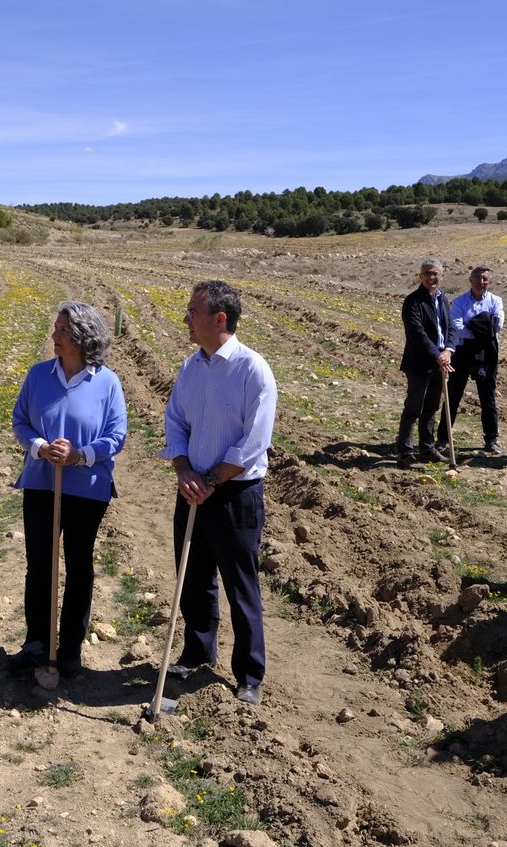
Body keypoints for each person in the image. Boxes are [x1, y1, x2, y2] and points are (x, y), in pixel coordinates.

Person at [158, 280, 278, 705]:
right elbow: (175, 421)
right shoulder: (191, 367)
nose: (186, 319)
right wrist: (184, 470)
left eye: (193, 312)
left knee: (240, 584)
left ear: (219, 319)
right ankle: (197, 652)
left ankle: (249, 674)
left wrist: (209, 481)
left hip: (234, 495)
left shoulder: (252, 370)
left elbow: (253, 443)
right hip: (192, 489)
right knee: (193, 578)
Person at [9, 302, 128, 678]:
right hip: (41, 483)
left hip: (88, 489)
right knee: (40, 564)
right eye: (56, 328)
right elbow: (20, 420)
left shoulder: (107, 383)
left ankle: (71, 648)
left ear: (83, 337)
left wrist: (80, 455)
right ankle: (37, 642)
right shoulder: (38, 375)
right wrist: (40, 447)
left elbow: (117, 435)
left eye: (62, 330)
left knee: (78, 565)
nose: (54, 336)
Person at [396, 259, 455, 469]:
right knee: (414, 408)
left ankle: (427, 449)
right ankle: (405, 453)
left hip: (440, 363)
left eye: (435, 273)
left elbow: (450, 328)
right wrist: (437, 355)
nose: (431, 277)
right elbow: (417, 334)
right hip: (420, 363)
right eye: (427, 273)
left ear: (442, 276)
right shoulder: (413, 301)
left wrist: (448, 350)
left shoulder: (443, 299)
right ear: (420, 276)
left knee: (431, 408)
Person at [445, 265, 506, 455]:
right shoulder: (459, 302)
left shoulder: (496, 301)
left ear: (490, 282)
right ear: (470, 280)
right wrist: (482, 326)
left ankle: (492, 439)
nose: (481, 282)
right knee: (453, 395)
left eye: (485, 279)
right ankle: (443, 438)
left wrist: (471, 324)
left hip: (487, 353)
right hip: (462, 352)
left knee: (488, 397)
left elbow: (497, 325)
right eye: (478, 278)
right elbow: (457, 327)